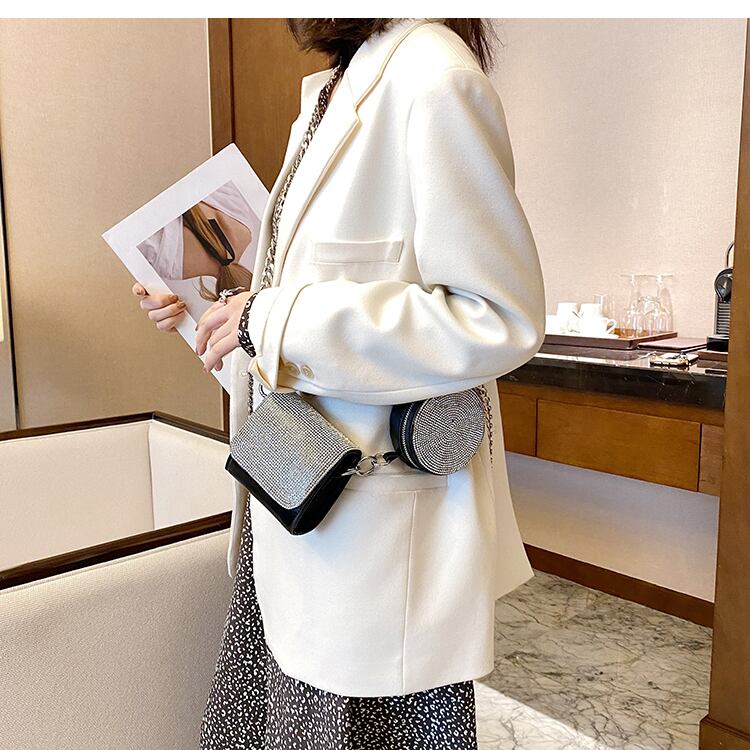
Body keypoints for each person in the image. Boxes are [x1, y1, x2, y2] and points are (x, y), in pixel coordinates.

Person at [133, 17, 545, 750]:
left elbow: (497, 317)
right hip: (289, 502)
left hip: (368, 545)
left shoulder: (434, 78)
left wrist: (270, 318)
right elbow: (296, 332)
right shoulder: (334, 90)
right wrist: (209, 315)